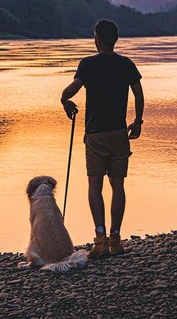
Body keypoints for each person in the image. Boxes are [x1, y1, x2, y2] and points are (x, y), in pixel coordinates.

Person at [60, 19, 144, 258]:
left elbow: (70, 91)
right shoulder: (126, 64)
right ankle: (116, 240)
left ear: (96, 38)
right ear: (115, 39)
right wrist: (138, 121)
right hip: (119, 133)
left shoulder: (87, 65)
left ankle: (100, 240)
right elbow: (138, 93)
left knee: (94, 185)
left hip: (96, 135)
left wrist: (65, 102)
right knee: (118, 186)